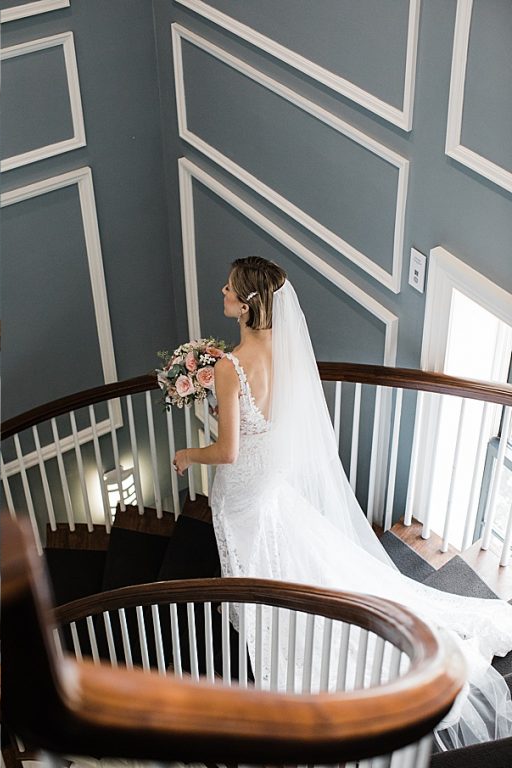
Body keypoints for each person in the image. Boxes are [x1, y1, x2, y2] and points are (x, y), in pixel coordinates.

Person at [172, 256, 512, 750]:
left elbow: (227, 451)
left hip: (245, 488)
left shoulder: (230, 368)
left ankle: (262, 614)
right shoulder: (284, 352)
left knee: (260, 557)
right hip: (270, 482)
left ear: (245, 306)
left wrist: (186, 455)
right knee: (293, 553)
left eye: (228, 287)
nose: (221, 290)